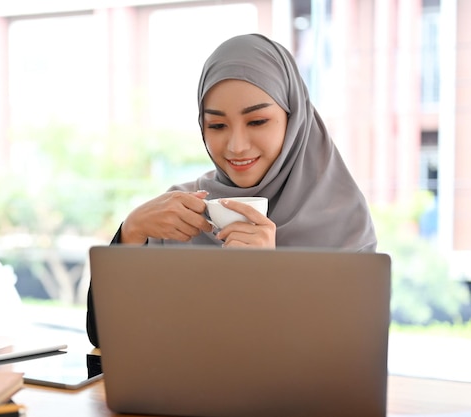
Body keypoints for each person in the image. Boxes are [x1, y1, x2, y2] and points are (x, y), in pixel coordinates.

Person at [86, 33, 377, 348]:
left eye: (257, 121)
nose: (237, 147)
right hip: (181, 397)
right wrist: (130, 234)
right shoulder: (179, 213)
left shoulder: (343, 220)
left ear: (294, 121)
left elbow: (348, 355)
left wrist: (270, 275)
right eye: (217, 126)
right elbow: (106, 338)